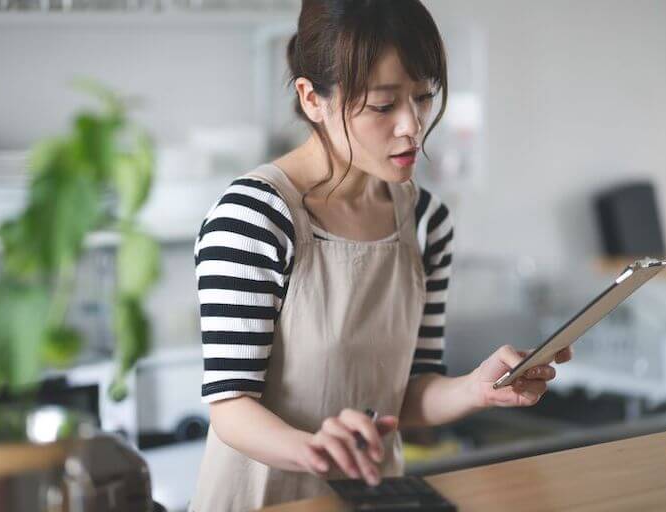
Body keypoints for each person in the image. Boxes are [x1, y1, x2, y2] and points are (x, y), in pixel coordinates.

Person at [190, 1, 572, 510]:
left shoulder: (425, 221)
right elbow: (232, 409)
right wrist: (317, 450)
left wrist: (477, 389)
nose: (412, 127)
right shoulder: (254, 218)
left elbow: (408, 394)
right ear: (312, 99)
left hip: (378, 499)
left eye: (423, 97)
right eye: (383, 105)